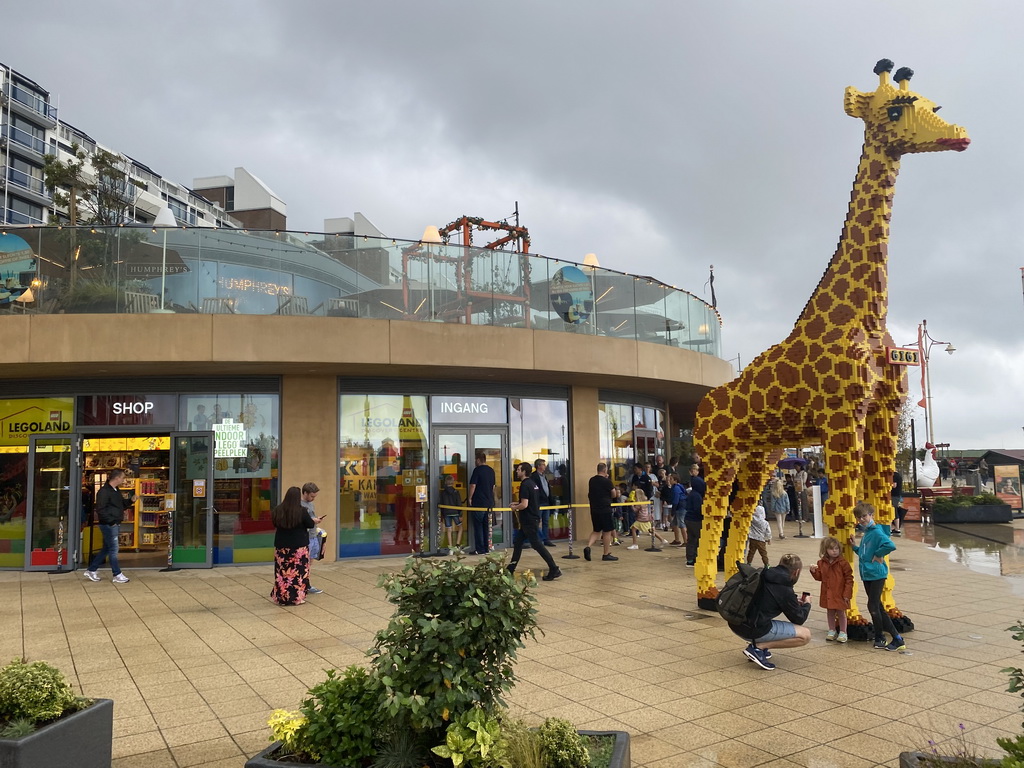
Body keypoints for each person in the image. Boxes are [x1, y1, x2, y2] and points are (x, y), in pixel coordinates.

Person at [726, 553, 811, 670]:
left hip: (735, 622)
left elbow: (766, 598)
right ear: (796, 572)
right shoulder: (785, 589)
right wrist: (807, 604)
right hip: (753, 630)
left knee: (763, 618)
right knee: (805, 635)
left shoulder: (762, 573)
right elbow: (799, 618)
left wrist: (792, 601)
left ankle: (758, 646)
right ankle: (759, 647)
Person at [851, 502, 905, 651]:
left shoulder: (875, 531)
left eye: (864, 516)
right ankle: (890, 638)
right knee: (877, 606)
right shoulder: (868, 532)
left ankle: (885, 637)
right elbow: (864, 553)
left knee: (873, 606)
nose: (862, 519)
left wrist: (879, 554)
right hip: (868, 573)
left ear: (871, 515)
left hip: (876, 574)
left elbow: (890, 545)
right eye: (859, 517)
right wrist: (854, 547)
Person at [508, 462, 561, 581]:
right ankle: (510, 569)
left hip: (528, 520)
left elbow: (525, 504)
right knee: (518, 543)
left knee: (537, 545)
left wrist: (515, 507)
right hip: (532, 519)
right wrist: (517, 503)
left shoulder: (525, 485)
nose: (517, 471)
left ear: (524, 472)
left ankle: (554, 568)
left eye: (519, 469)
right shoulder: (533, 484)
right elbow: (531, 501)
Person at [85, 469, 135, 584]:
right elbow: (100, 509)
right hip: (109, 524)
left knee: (107, 548)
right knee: (113, 549)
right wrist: (111, 521)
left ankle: (92, 569)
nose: (123, 480)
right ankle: (117, 574)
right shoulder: (104, 492)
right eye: (122, 478)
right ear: (117, 478)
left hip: (113, 522)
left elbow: (121, 504)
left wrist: (130, 501)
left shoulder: (115, 490)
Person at [271, 486, 316, 606]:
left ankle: (282, 597)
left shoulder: (278, 510)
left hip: (282, 547)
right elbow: (310, 524)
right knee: (298, 573)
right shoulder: (302, 511)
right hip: (298, 547)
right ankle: (297, 597)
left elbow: (274, 523)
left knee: (282, 573)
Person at [808, 536, 853, 642]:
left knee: (841, 612)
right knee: (830, 611)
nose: (834, 551)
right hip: (828, 592)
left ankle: (843, 631)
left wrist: (847, 593)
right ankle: (831, 630)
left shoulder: (843, 563)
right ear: (825, 550)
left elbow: (849, 579)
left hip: (840, 592)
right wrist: (814, 571)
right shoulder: (821, 563)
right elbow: (820, 577)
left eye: (836, 548)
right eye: (832, 549)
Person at [583, 463, 618, 562]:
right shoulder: (607, 482)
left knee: (596, 530)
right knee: (607, 531)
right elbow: (614, 494)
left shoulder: (592, 480)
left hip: (594, 509)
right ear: (605, 470)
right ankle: (606, 554)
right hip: (605, 509)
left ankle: (588, 546)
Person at [467, 452, 495, 555]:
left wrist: (470, 498)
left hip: (478, 502)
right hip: (488, 502)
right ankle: (487, 548)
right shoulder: (491, 471)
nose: (475, 461)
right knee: (486, 526)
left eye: (475, 460)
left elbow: (473, 486)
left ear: (478, 460)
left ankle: (479, 549)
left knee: (478, 526)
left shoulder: (477, 470)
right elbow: (493, 487)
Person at [301, 482, 325, 594]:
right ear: (305, 493)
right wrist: (312, 521)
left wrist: (316, 519)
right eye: (311, 496)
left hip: (313, 534)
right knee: (304, 562)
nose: (313, 499)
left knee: (310, 562)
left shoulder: (311, 504)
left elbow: (311, 517)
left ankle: (306, 582)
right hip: (306, 537)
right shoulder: (300, 505)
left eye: (314, 497)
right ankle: (305, 584)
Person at [531, 458, 555, 547]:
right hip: (539, 502)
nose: (545, 466)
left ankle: (546, 539)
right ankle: (537, 540)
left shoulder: (544, 476)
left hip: (546, 502)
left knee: (546, 521)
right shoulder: (534, 476)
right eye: (543, 464)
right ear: (538, 466)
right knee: (537, 521)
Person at [439, 474, 463, 551]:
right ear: (453, 482)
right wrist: (460, 514)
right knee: (460, 527)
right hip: (455, 512)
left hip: (446, 512)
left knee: (449, 529)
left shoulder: (443, 493)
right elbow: (459, 503)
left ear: (446, 482)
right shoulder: (456, 492)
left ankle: (451, 548)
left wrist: (442, 515)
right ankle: (457, 545)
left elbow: (441, 503)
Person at [683, 477, 703, 567]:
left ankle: (690, 559)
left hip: (688, 519)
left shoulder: (691, 494)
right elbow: (698, 509)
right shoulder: (697, 496)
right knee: (698, 539)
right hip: (696, 520)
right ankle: (696, 557)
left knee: (690, 540)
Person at [664, 474, 685, 546]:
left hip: (680, 507)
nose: (669, 480)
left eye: (671, 479)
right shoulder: (676, 487)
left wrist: (673, 511)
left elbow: (676, 500)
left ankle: (686, 541)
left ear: (675, 480)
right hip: (679, 507)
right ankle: (677, 540)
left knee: (681, 524)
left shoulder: (676, 489)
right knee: (674, 523)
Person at [891, 470, 904, 536]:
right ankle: (896, 528)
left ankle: (897, 528)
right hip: (896, 495)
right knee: (894, 510)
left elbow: (894, 485)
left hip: (894, 495)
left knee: (894, 510)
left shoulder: (894, 475)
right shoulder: (898, 475)